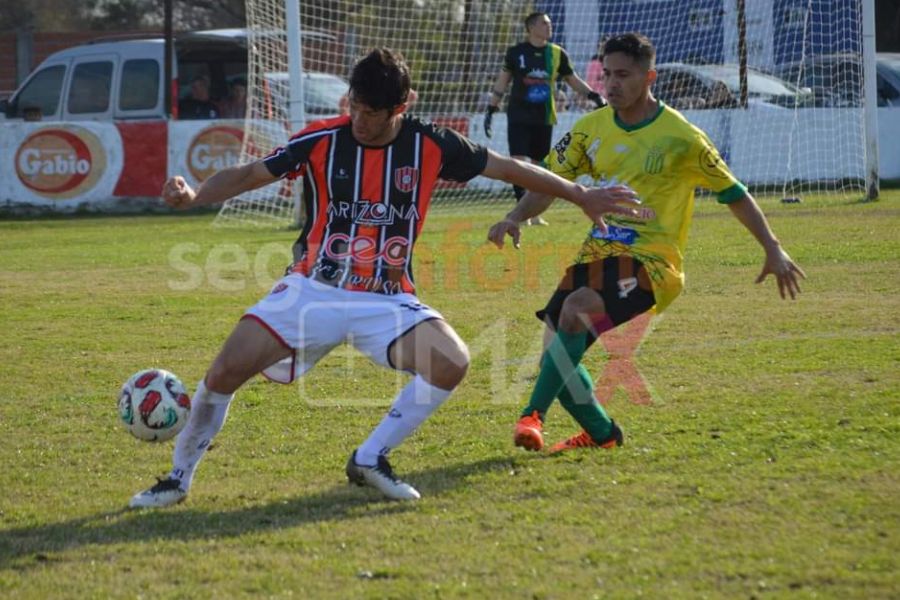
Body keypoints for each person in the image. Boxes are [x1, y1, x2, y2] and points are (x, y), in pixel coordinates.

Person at [129, 48, 641, 508]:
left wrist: (579, 194)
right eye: (354, 106)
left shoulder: (433, 144)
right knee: (222, 374)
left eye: (372, 113)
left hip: (386, 297)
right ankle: (177, 478)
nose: (360, 120)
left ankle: (370, 458)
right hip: (313, 289)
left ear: (402, 105)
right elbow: (246, 175)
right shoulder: (321, 139)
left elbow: (509, 168)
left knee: (451, 362)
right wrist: (196, 195)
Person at [487, 33, 806, 455]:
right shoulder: (589, 129)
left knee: (577, 308)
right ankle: (604, 435)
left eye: (624, 75)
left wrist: (773, 246)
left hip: (653, 263)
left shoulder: (682, 137)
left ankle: (532, 415)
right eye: (607, 75)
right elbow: (549, 182)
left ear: (649, 77)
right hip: (597, 254)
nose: (612, 84)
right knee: (558, 365)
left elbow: (734, 192)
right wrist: (514, 216)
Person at [484, 12, 605, 226]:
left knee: (540, 166)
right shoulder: (516, 53)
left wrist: (594, 96)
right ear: (531, 27)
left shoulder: (557, 53)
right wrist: (491, 109)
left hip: (544, 116)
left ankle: (534, 212)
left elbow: (572, 80)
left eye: (549, 24)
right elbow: (503, 80)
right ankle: (521, 212)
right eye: (544, 23)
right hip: (519, 115)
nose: (549, 27)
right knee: (519, 163)